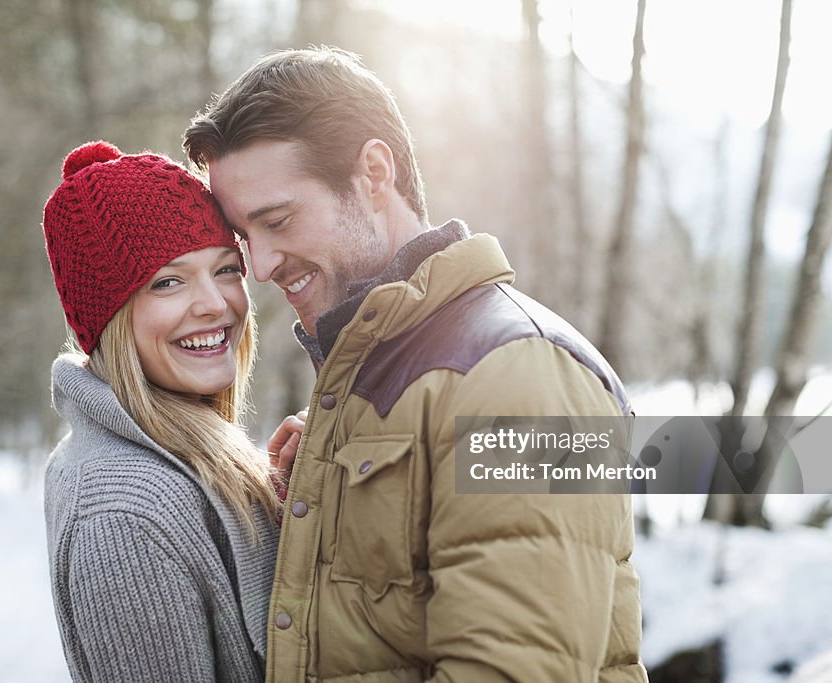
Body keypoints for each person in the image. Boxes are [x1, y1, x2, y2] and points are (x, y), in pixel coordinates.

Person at [185, 47, 648, 682]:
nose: (260, 266)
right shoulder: (373, 377)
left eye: (278, 221)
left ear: (375, 174)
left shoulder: (523, 373)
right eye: (246, 239)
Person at [40, 140, 298, 682]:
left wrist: (293, 499)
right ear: (108, 319)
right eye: (168, 281)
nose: (215, 303)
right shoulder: (123, 514)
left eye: (227, 269)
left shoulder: (182, 451)